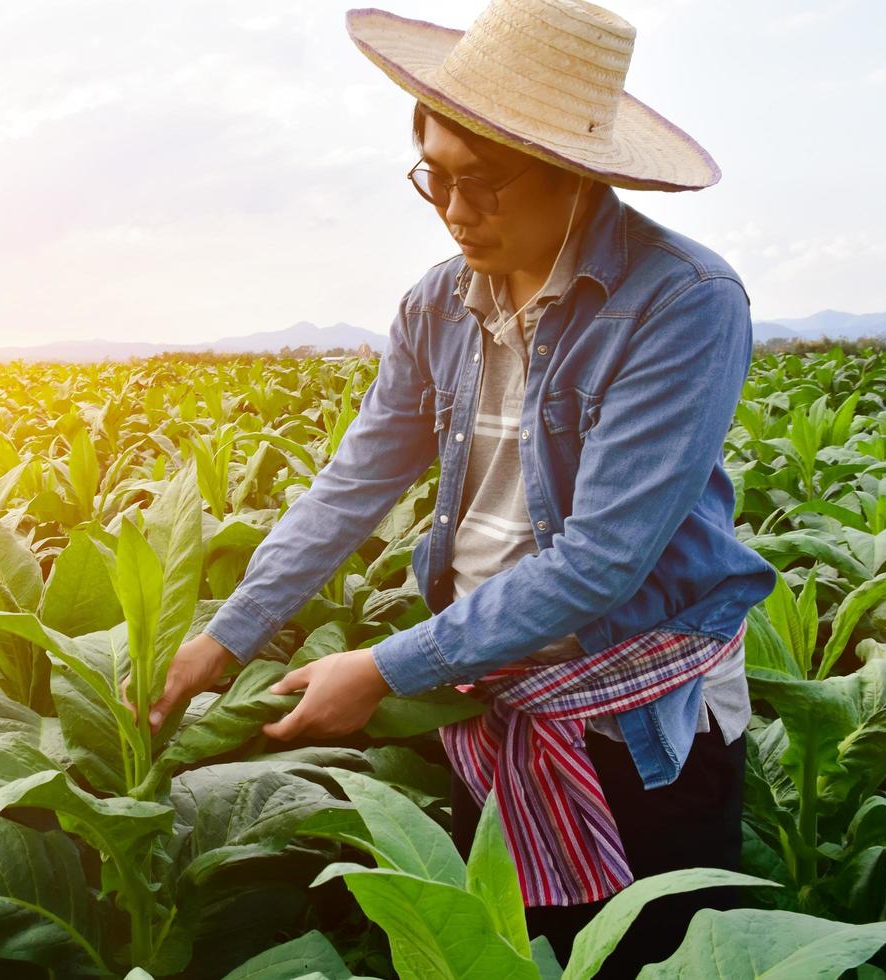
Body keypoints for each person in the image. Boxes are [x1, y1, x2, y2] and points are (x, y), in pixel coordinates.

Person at [125, 1, 777, 974]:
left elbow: (600, 559)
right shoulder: (438, 302)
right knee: (507, 951)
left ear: (577, 173)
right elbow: (355, 481)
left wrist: (383, 667)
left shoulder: (682, 302)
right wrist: (232, 630)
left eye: (486, 183)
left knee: (656, 953)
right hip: (478, 693)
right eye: (435, 175)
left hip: (639, 725)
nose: (457, 211)